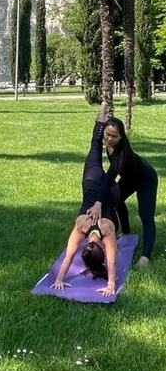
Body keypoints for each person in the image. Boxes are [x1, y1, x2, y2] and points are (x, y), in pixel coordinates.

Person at [51, 103, 119, 297]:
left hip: (109, 189)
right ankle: (103, 113)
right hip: (92, 179)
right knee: (96, 145)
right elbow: (70, 254)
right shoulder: (81, 225)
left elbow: (112, 261)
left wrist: (111, 283)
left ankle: (108, 120)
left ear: (102, 252)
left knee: (111, 161)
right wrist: (59, 278)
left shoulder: (106, 230)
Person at [86, 113, 158, 267]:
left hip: (146, 178)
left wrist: (98, 202)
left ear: (121, 137)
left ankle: (145, 257)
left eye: (114, 136)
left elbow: (109, 179)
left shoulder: (121, 155)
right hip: (130, 177)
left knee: (146, 216)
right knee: (117, 201)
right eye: (108, 134)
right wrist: (101, 114)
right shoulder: (108, 143)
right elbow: (97, 135)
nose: (110, 139)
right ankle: (126, 233)